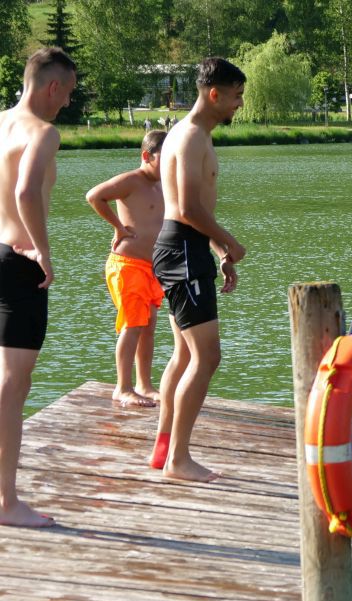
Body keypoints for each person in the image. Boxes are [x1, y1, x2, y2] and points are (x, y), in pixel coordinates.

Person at [149, 57, 247, 482]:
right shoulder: (190, 138)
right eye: (236, 96)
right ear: (214, 94)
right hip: (183, 251)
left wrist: (215, 250)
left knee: (185, 354)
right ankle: (178, 462)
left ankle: (164, 448)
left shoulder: (188, 135)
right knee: (207, 356)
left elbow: (189, 211)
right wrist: (229, 241)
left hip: (186, 249)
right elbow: (187, 209)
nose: (239, 104)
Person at [0, 47, 77, 528]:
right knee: (12, 385)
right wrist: (42, 250)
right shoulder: (44, 132)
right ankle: (6, 503)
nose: (67, 102)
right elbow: (27, 192)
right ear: (52, 87)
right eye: (68, 93)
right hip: (20, 263)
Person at [86, 130, 167, 408]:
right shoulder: (132, 180)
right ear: (147, 156)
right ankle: (123, 388)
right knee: (133, 325)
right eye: (164, 158)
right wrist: (118, 227)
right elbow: (94, 196)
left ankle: (144, 384)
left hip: (151, 267)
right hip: (127, 265)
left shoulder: (164, 184)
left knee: (149, 326)